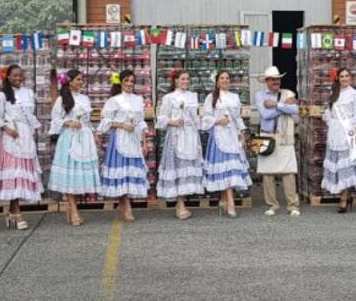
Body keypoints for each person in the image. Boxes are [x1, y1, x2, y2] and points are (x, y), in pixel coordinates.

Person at [0, 64, 43, 229]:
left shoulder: (28, 93)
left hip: (25, 135)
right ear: (7, 77)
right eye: (14, 75)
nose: (18, 78)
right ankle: (17, 213)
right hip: (11, 136)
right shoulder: (2, 95)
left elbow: (31, 115)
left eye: (20, 75)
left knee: (22, 175)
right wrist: (8, 129)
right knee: (14, 174)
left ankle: (12, 212)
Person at [48, 69, 100, 226]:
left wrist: (94, 134)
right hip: (69, 137)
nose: (81, 82)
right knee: (71, 174)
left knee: (79, 174)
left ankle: (71, 208)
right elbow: (55, 119)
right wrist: (69, 122)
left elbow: (88, 120)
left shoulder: (85, 99)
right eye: (78, 79)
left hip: (84, 137)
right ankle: (74, 210)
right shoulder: (62, 99)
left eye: (82, 79)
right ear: (69, 82)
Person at [98, 69, 149, 222]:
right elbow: (106, 122)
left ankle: (124, 204)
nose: (129, 84)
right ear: (120, 82)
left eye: (132, 81)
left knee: (129, 173)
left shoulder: (138, 99)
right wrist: (122, 125)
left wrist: (144, 142)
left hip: (133, 140)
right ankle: (127, 206)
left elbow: (140, 123)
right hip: (120, 139)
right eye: (126, 80)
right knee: (122, 172)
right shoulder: (114, 100)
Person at [201, 70, 250, 217]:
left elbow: (237, 118)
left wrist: (242, 134)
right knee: (225, 168)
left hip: (233, 136)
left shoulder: (235, 97)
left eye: (227, 78)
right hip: (219, 136)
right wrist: (217, 121)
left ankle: (223, 200)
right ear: (217, 82)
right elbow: (206, 118)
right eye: (222, 78)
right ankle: (230, 202)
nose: (225, 80)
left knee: (231, 168)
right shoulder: (211, 97)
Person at [155, 69, 203, 219]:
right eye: (182, 79)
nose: (185, 81)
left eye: (187, 79)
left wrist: (198, 127)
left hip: (190, 135)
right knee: (178, 168)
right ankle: (180, 203)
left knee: (187, 168)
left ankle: (182, 200)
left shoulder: (193, 96)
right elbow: (161, 118)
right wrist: (173, 121)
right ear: (176, 80)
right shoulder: (169, 97)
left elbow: (196, 117)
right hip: (176, 135)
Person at [254, 66, 300, 217]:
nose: (276, 82)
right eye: (273, 79)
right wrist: (285, 106)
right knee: (267, 173)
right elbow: (265, 115)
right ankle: (272, 205)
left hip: (285, 135)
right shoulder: (260, 95)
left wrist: (276, 105)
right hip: (265, 135)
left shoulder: (288, 93)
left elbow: (295, 110)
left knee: (289, 172)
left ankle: (293, 205)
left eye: (278, 79)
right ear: (267, 81)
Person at [321, 67, 356, 213]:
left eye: (347, 76)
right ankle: (345, 194)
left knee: (347, 165)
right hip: (335, 133)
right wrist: (333, 124)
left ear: (350, 78)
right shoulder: (333, 93)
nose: (345, 78)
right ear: (338, 79)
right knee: (338, 164)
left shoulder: (355, 94)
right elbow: (328, 113)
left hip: (349, 133)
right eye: (342, 76)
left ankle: (344, 197)